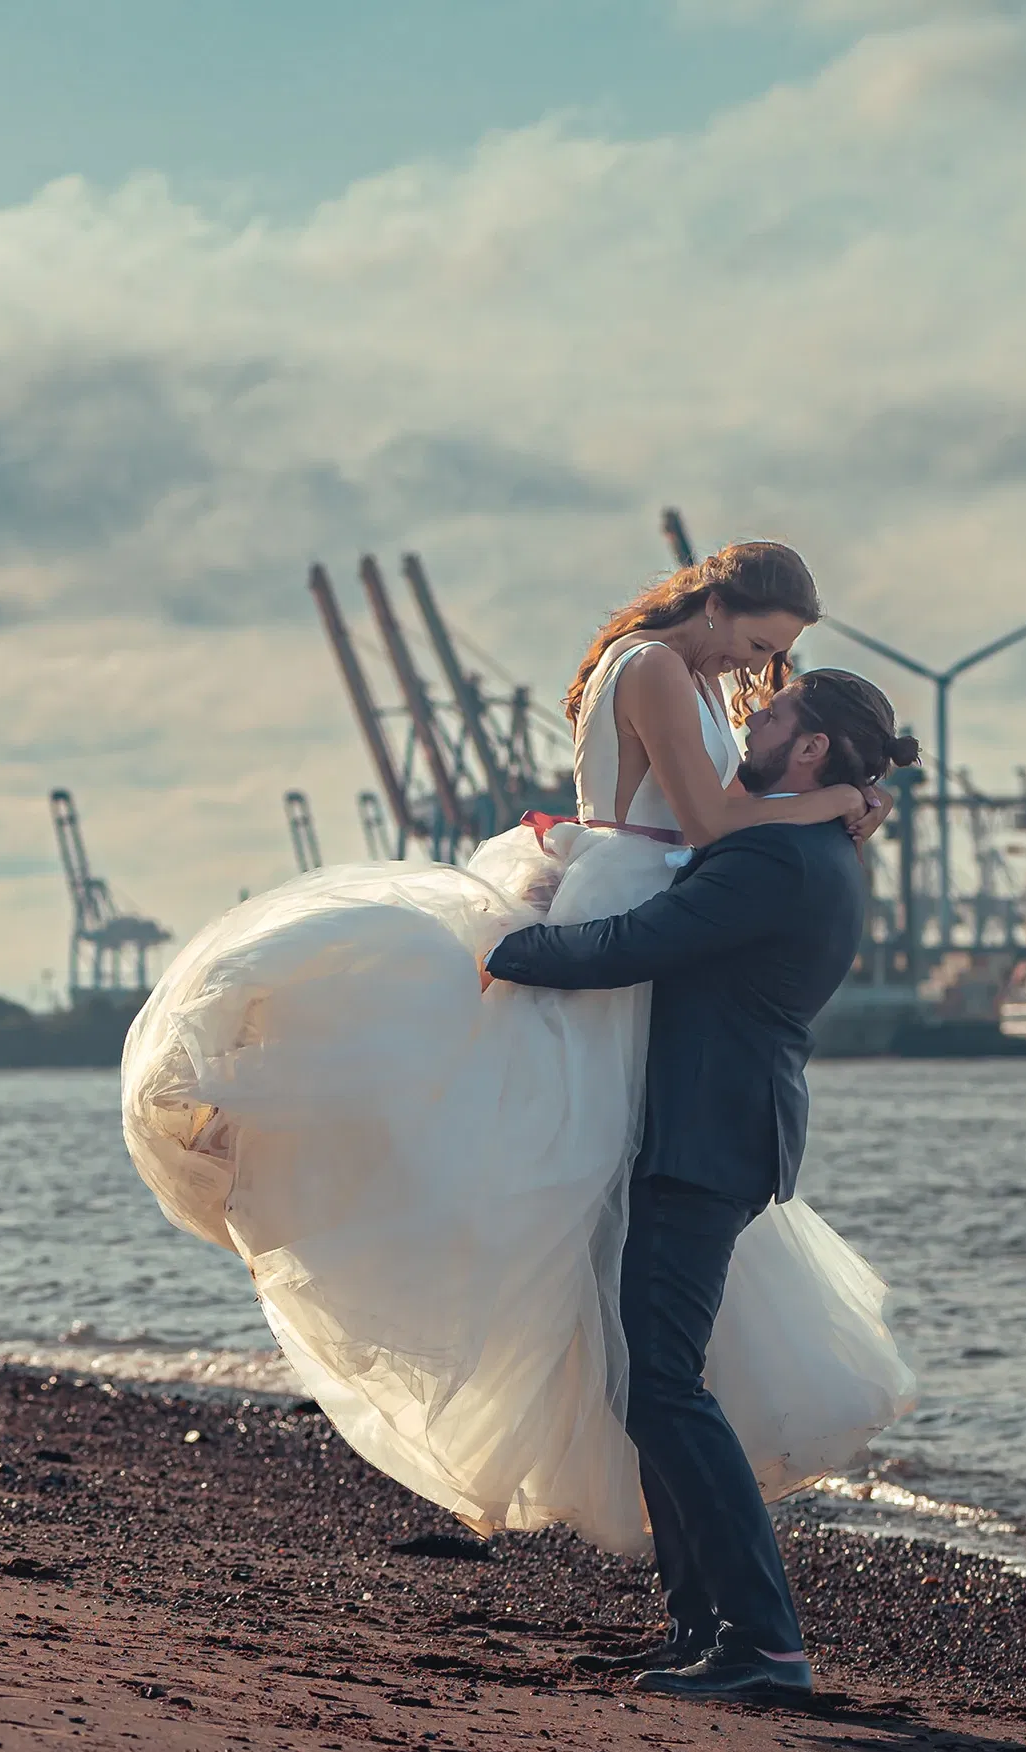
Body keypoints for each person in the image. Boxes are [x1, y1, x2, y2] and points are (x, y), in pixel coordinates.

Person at [121, 542, 917, 1631]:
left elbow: (697, 852)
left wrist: (827, 805)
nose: (757, 676)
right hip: (642, 929)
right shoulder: (659, 677)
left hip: (672, 1016)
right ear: (720, 603)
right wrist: (829, 802)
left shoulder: (754, 804)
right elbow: (699, 829)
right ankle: (722, 1624)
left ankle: (731, 1627)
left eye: (776, 666)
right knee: (605, 1281)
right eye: (757, 646)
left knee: (643, 1344)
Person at [484, 667, 918, 1701]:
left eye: (770, 715)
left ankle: (763, 1641)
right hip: (710, 1131)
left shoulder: (776, 856)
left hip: (707, 1140)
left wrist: (505, 949)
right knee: (656, 1382)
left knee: (665, 1384)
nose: (749, 724)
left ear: (810, 749)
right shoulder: (800, 841)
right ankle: (699, 1623)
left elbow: (640, 944)